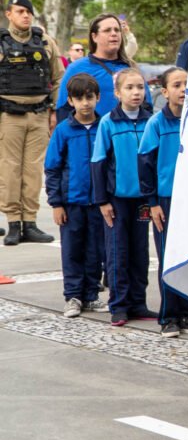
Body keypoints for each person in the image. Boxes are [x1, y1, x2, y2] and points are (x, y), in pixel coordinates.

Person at [138, 66, 188, 337]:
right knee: (168, 256)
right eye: (177, 85)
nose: (183, 89)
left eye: (187, 83)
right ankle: (169, 317)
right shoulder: (156, 124)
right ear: (164, 92)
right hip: (166, 200)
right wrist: (152, 202)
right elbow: (145, 163)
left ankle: (186, 314)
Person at [91, 68, 154, 327]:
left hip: (143, 199)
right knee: (118, 251)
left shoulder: (151, 121)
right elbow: (98, 161)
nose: (136, 92)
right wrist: (102, 200)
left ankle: (138, 302)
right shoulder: (108, 122)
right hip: (117, 199)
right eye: (129, 88)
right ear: (117, 93)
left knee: (140, 251)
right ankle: (118, 305)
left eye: (140, 87)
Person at [1, 0, 64, 245]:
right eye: (20, 11)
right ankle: (13, 223)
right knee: (10, 170)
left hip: (39, 115)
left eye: (28, 11)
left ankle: (30, 222)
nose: (25, 15)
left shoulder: (45, 42)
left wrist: (55, 110)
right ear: (8, 14)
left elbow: (59, 78)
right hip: (9, 116)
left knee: (33, 172)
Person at [45, 74, 108, 317]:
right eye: (79, 98)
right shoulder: (63, 130)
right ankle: (72, 295)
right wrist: (56, 203)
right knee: (72, 250)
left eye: (89, 97)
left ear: (97, 97)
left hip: (98, 202)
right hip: (71, 203)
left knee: (95, 250)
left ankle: (91, 295)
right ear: (71, 101)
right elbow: (52, 168)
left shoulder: (105, 127)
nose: (85, 103)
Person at [57, 13, 142, 121]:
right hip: (90, 131)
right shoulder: (76, 68)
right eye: (107, 30)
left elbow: (146, 106)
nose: (114, 34)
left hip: (127, 131)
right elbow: (63, 110)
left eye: (117, 30)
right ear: (94, 36)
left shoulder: (130, 68)